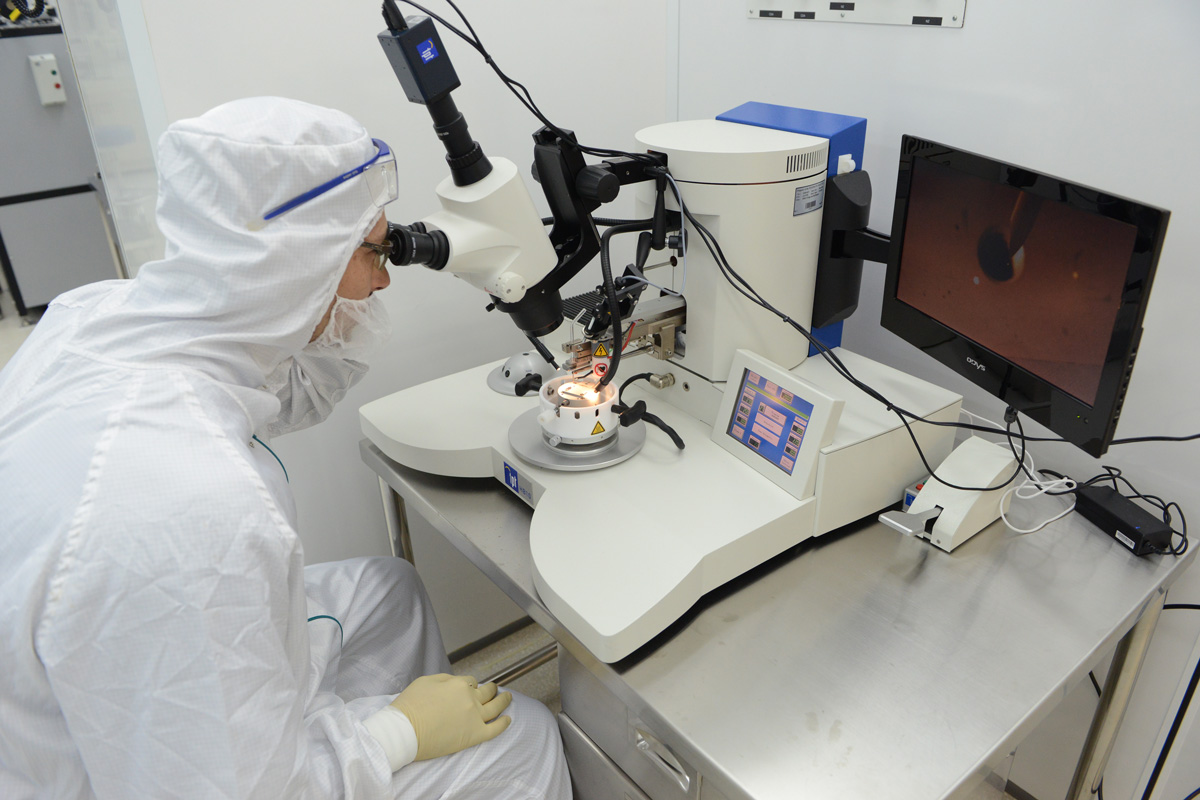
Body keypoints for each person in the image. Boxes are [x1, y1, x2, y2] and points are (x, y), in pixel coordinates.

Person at [0, 97, 571, 799]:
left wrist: (343, 303)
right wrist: (397, 736)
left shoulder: (100, 316)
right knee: (527, 736)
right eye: (372, 253)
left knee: (386, 593)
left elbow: (283, 387)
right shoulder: (190, 507)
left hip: (108, 650)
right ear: (292, 266)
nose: (383, 278)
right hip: (129, 769)